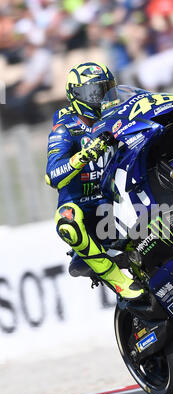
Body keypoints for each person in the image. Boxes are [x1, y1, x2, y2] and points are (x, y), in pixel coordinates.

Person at [45, 61, 144, 300]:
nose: (101, 98)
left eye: (106, 89)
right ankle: (118, 281)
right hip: (87, 212)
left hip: (118, 203)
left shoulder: (117, 115)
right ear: (77, 96)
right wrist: (83, 156)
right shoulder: (65, 129)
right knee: (65, 219)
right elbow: (51, 175)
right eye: (94, 92)